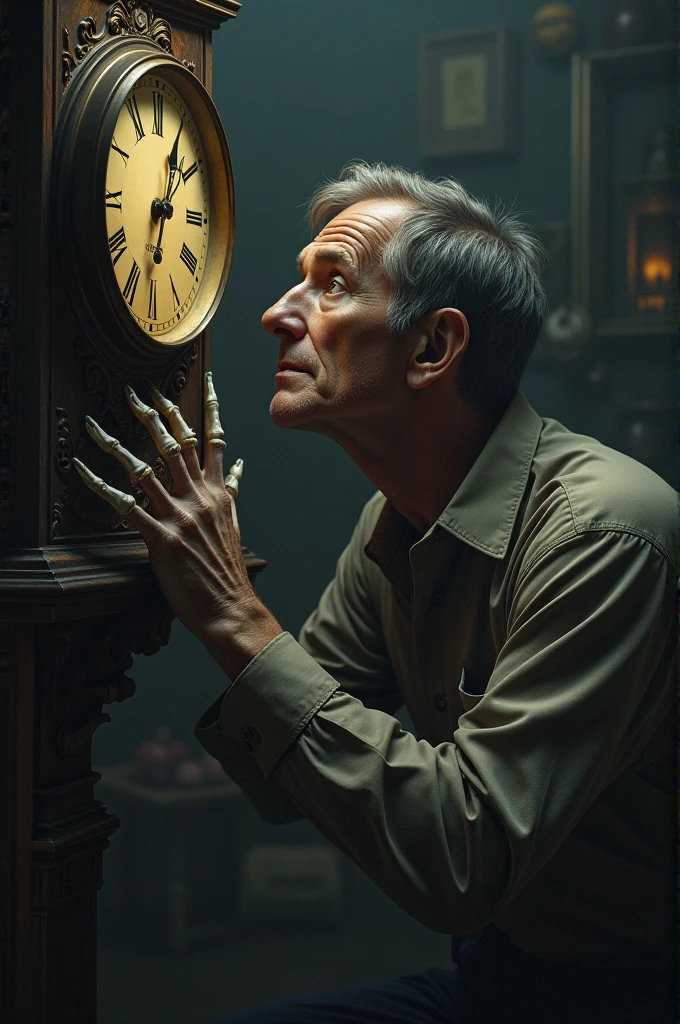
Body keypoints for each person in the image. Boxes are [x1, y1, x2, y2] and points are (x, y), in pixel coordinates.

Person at [75, 164, 677, 1024]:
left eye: (330, 285)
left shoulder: (604, 535)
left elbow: (459, 861)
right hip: (494, 977)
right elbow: (274, 781)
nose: (276, 313)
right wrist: (222, 614)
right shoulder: (392, 522)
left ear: (433, 347)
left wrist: (233, 614)